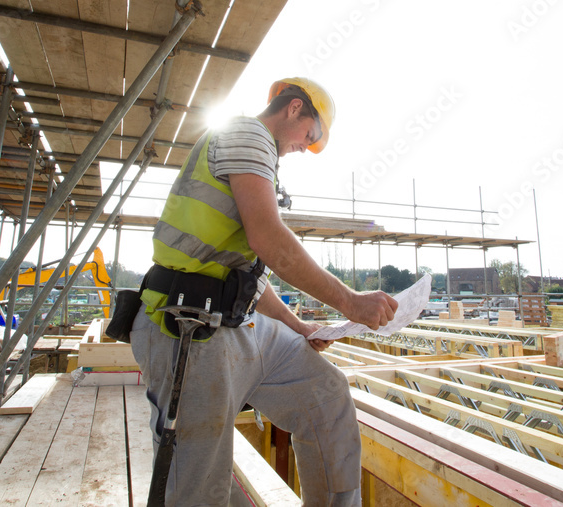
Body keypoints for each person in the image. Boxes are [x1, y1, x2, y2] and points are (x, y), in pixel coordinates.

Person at [130, 77, 398, 506]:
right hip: (190, 326)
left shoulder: (260, 156)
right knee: (199, 484)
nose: (303, 149)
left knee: (326, 397)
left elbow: (249, 274)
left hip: (239, 323)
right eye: (308, 137)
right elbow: (269, 238)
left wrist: (298, 327)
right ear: (293, 108)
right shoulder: (247, 133)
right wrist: (351, 302)